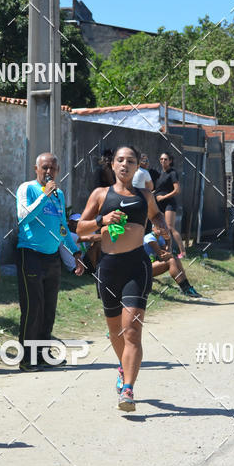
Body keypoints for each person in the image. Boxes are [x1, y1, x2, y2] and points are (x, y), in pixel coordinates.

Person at [78, 145, 170, 412]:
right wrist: (101, 220)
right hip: (107, 267)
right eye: (120, 160)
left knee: (132, 330)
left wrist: (160, 227)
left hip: (136, 266)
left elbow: (156, 216)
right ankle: (123, 367)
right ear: (113, 165)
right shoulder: (100, 194)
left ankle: (128, 389)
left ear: (137, 166)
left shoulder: (145, 195)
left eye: (131, 161)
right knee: (115, 332)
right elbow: (79, 228)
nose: (125, 165)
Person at [16, 152, 85, 372]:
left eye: (52, 168)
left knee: (48, 308)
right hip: (31, 254)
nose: (48, 172)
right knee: (33, 307)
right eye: (44, 168)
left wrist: (75, 253)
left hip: (52, 257)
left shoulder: (59, 195)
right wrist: (44, 195)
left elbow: (63, 227)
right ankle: (26, 358)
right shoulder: (27, 188)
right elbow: (23, 216)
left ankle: (43, 354)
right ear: (35, 169)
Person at [144, 224, 202, 298]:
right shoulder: (150, 238)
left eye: (161, 227)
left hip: (150, 266)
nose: (160, 229)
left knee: (175, 259)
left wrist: (169, 240)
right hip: (142, 270)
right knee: (171, 261)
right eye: (157, 227)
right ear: (152, 229)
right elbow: (161, 256)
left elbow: (167, 252)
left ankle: (187, 287)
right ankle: (185, 288)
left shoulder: (160, 238)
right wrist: (169, 254)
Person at [154, 152, 186, 257]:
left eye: (165, 159)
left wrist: (163, 197)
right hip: (159, 204)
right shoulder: (160, 173)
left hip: (169, 203)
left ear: (170, 161)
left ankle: (183, 252)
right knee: (160, 227)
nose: (163, 161)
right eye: (161, 159)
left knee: (170, 227)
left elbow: (177, 190)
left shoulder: (172, 173)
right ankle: (168, 250)